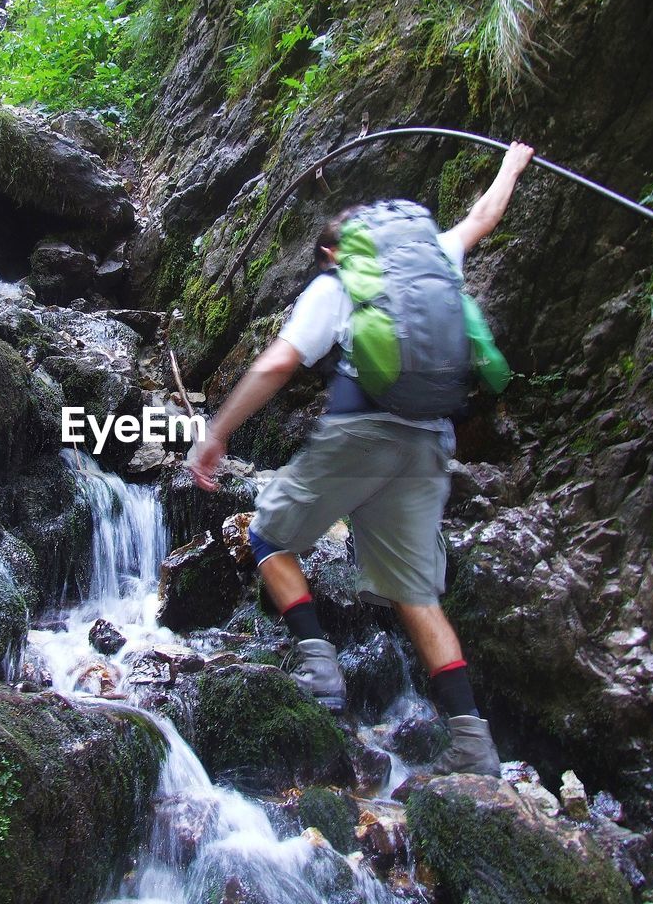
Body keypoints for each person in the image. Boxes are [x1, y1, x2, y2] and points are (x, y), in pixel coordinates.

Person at [187, 141, 534, 776]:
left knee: (267, 534)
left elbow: (279, 362)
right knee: (415, 593)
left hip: (362, 433)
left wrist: (216, 434)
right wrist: (512, 164)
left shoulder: (338, 281)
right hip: (430, 442)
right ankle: (470, 738)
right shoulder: (434, 261)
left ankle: (320, 669)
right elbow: (484, 216)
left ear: (330, 251)